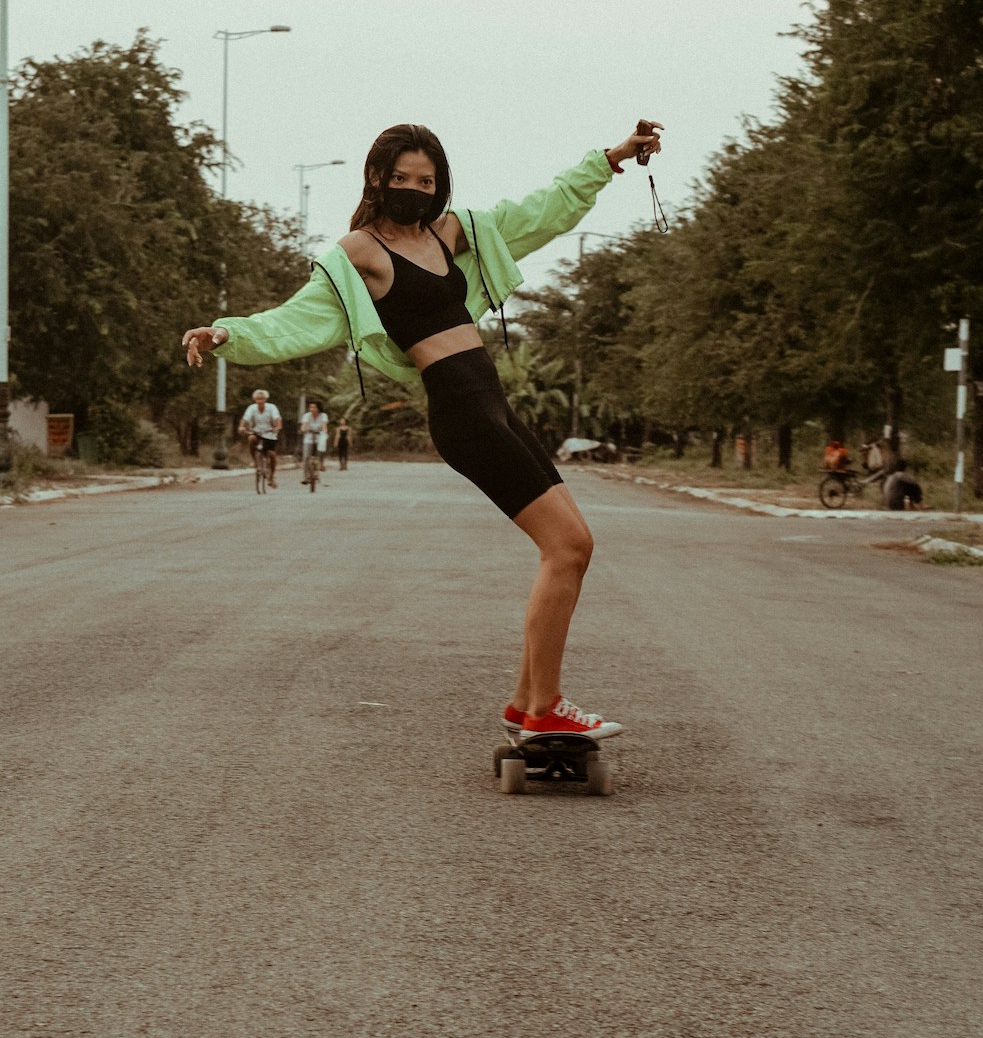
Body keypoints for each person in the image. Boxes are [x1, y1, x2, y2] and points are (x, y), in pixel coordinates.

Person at [183, 121, 662, 740]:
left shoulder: (453, 230)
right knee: (567, 547)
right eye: (401, 178)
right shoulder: (358, 252)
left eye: (426, 179)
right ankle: (545, 709)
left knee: (576, 547)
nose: (414, 188)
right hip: (460, 411)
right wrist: (230, 334)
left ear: (440, 185)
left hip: (494, 404)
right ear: (377, 179)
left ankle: (526, 703)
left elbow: (538, 212)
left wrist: (610, 159)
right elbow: (298, 318)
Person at [238, 389, 283, 488]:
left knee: (272, 454)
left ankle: (271, 476)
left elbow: (277, 419)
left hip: (269, 433)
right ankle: (255, 460)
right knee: (251, 439)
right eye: (258, 399)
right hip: (256, 432)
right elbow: (245, 419)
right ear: (255, 399)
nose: (260, 401)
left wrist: (277, 427)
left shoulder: (272, 407)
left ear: (265, 399)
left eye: (262, 399)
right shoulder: (252, 408)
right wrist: (241, 427)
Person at [300, 399, 330, 483]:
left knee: (322, 447)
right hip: (309, 436)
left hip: (319, 435)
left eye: (314, 407)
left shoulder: (323, 415)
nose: (312, 409)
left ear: (318, 408)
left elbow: (324, 425)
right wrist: (303, 429)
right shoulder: (307, 415)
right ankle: (306, 477)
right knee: (306, 456)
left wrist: (324, 431)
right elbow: (304, 425)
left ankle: (321, 463)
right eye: (311, 407)